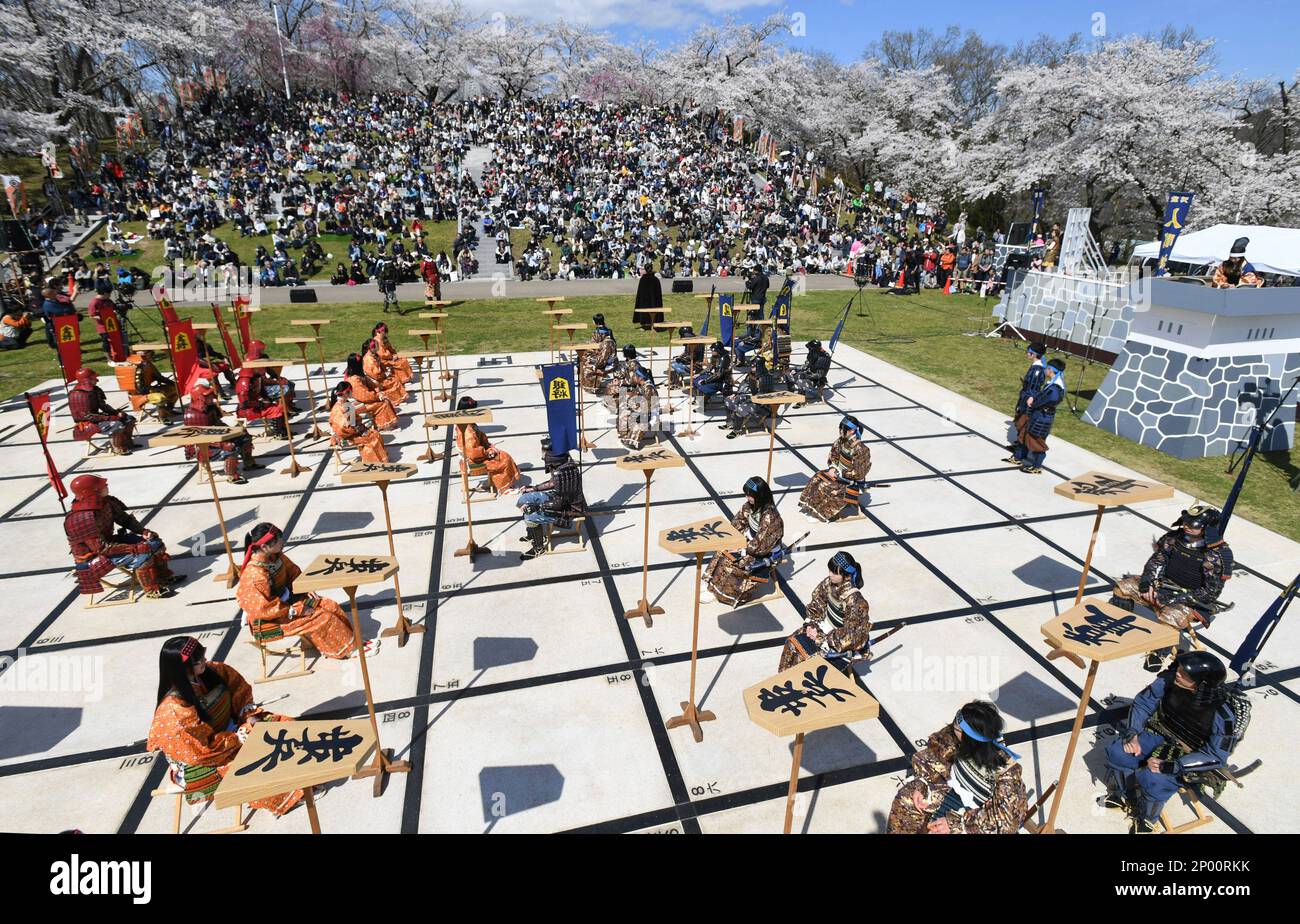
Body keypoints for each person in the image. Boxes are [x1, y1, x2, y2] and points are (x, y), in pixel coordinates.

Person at [146, 637, 303, 817]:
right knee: (251, 765)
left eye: (202, 655)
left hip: (233, 729)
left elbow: (240, 690)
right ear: (183, 668)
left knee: (285, 727)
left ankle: (306, 774)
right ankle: (290, 796)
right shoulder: (173, 709)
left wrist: (247, 715)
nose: (205, 661)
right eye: (198, 660)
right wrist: (240, 736)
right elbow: (201, 750)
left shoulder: (214, 670)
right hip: (206, 755)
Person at [1102, 652, 1243, 833]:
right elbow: (1143, 702)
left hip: (1191, 752)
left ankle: (1147, 819)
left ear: (1202, 683)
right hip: (1161, 731)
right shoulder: (1169, 681)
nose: (1178, 673)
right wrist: (1133, 732)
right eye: (1180, 669)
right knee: (1119, 752)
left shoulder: (1223, 716)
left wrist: (1173, 766)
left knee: (1154, 778)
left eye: (1186, 674)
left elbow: (1216, 756)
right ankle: (1125, 794)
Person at [1110, 505, 1234, 671]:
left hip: (1192, 599)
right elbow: (1157, 561)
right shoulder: (1174, 538)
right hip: (1164, 585)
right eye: (1186, 522)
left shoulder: (1216, 554)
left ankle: (1158, 653)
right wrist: (1148, 581)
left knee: (1171, 618)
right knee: (1123, 588)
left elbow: (1210, 593)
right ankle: (1118, 625)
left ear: (1206, 528)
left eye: (1194, 524)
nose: (1187, 526)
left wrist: (1172, 599)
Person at [236, 522, 377, 659]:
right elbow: (262, 608)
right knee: (322, 617)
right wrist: (295, 610)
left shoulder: (274, 556)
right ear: (265, 546)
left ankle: (351, 641)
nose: (282, 541)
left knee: (329, 605)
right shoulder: (254, 575)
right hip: (271, 618)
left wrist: (305, 587)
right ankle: (347, 650)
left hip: (287, 603)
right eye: (278, 540)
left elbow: (293, 572)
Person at [887, 701, 1029, 834]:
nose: (953, 728)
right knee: (906, 801)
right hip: (950, 789)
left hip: (978, 814)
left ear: (971, 739)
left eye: (958, 729)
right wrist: (922, 784)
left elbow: (1005, 821)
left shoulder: (1006, 772)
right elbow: (934, 755)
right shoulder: (956, 734)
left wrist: (957, 824)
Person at [64, 473, 179, 599]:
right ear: (93, 491)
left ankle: (164, 577)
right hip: (94, 557)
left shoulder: (107, 502)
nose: (106, 486)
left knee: (155, 543)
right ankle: (151, 589)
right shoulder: (82, 519)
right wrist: (134, 548)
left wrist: (143, 531)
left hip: (109, 543)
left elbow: (125, 520)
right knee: (144, 551)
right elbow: (101, 549)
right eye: (102, 485)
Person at [778, 552, 873, 671]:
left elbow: (853, 636)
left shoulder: (857, 602)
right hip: (821, 627)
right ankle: (782, 679)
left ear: (846, 575)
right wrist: (811, 624)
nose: (830, 574)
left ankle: (801, 686)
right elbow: (817, 602)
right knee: (791, 643)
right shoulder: (829, 583)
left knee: (806, 661)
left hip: (836, 642)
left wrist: (822, 638)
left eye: (834, 572)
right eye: (830, 570)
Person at [703, 476, 785, 606]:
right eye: (747, 495)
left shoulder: (771, 517)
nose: (748, 498)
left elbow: (761, 546)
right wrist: (732, 539)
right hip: (749, 542)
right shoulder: (750, 506)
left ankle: (721, 593)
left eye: (751, 495)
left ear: (760, 495)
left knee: (730, 562)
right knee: (721, 550)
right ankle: (712, 585)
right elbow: (737, 522)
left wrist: (741, 548)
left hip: (763, 553)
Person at [516, 438, 587, 561]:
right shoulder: (561, 466)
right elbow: (552, 483)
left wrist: (536, 507)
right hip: (559, 499)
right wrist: (533, 489)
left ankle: (539, 548)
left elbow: (559, 504)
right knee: (524, 498)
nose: (543, 455)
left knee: (530, 515)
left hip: (569, 508)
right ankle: (533, 534)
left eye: (544, 452)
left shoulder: (564, 472)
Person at [798, 415, 873, 521]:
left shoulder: (861, 449)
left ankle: (820, 513)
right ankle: (811, 507)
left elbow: (859, 472)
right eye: (840, 428)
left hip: (850, 480)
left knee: (826, 486)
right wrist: (833, 467)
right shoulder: (841, 441)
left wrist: (840, 473)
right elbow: (833, 454)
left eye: (843, 429)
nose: (841, 431)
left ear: (852, 431)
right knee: (817, 477)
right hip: (838, 473)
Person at [184, 383, 257, 484]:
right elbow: (200, 439)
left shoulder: (211, 408)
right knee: (231, 447)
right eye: (207, 396)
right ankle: (232, 476)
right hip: (204, 448)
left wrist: (233, 431)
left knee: (244, 437)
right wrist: (222, 444)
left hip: (215, 439)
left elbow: (218, 424)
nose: (211, 397)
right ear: (200, 398)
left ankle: (248, 463)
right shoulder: (193, 415)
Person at [454, 396, 521, 494]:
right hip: (474, 461)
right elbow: (473, 452)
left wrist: (488, 445)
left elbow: (478, 439)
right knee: (505, 459)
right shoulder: (467, 431)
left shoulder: (465, 423)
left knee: (503, 455)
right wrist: (487, 452)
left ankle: (502, 483)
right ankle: (504, 488)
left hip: (476, 454)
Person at [1010, 356, 1065, 474]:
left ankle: (1036, 466)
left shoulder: (1055, 388)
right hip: (1037, 415)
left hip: (1042, 417)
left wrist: (1033, 402)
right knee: (1024, 435)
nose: (1045, 370)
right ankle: (1019, 457)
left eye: (1047, 368)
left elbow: (1048, 399)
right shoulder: (1053, 384)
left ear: (1051, 370)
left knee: (1036, 441)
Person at [69, 367, 136, 454]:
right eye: (94, 378)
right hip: (87, 423)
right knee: (116, 424)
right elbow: (87, 416)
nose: (97, 380)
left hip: (98, 418)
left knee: (129, 419)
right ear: (87, 380)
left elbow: (103, 406)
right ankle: (118, 448)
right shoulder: (77, 395)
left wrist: (116, 413)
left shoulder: (95, 390)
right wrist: (110, 418)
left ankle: (126, 443)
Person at [1004, 342, 1047, 465]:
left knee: (1022, 426)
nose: (1027, 353)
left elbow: (1032, 390)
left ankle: (1020, 454)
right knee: (1019, 425)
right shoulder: (1036, 367)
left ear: (1033, 354)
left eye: (1029, 352)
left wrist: (1023, 405)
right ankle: (1018, 447)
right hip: (1025, 399)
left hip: (1027, 402)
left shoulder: (1036, 370)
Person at [329, 380, 389, 463]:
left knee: (373, 433)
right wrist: (361, 428)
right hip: (345, 436)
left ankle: (377, 459)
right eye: (351, 391)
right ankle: (372, 461)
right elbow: (347, 427)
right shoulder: (346, 406)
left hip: (342, 433)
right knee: (373, 436)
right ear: (346, 392)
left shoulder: (338, 404)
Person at [342, 352, 398, 430]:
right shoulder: (354, 379)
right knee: (382, 404)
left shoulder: (359, 375)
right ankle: (384, 426)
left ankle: (382, 423)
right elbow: (364, 396)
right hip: (355, 403)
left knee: (384, 396)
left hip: (365, 399)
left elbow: (371, 384)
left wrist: (377, 389)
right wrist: (378, 396)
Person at [724, 355, 775, 439]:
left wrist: (747, 400)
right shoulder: (752, 374)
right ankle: (730, 423)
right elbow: (744, 385)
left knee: (741, 408)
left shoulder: (766, 378)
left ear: (759, 366)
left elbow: (764, 397)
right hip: (751, 398)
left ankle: (737, 430)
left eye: (753, 366)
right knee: (728, 400)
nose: (751, 367)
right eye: (751, 365)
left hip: (761, 406)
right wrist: (736, 394)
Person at [126, 348, 179, 420]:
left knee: (176, 389)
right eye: (148, 354)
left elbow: (159, 377)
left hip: (150, 390)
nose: (151, 356)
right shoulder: (137, 368)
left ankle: (168, 410)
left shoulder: (148, 365)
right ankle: (163, 418)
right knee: (160, 397)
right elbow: (140, 389)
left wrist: (174, 384)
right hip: (141, 394)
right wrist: (154, 389)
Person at [617, 365, 659, 449]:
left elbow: (645, 407)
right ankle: (625, 433)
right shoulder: (640, 385)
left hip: (648, 414)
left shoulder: (649, 389)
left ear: (640, 378)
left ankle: (632, 438)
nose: (633, 377)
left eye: (635, 376)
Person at [362, 337, 407, 405]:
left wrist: (385, 372)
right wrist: (385, 375)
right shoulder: (369, 360)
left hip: (379, 377)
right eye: (377, 347)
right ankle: (395, 400)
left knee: (394, 378)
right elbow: (375, 374)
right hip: (375, 382)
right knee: (394, 381)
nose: (378, 348)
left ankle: (399, 398)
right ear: (371, 348)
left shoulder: (372, 356)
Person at [581, 315, 616, 394]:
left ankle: (591, 386)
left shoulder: (596, 332)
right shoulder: (609, 331)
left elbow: (594, 346)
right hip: (611, 358)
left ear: (595, 322)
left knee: (584, 359)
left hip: (601, 358)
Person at [371, 322, 412, 386]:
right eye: (383, 331)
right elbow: (381, 354)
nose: (384, 332)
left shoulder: (384, 338)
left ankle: (405, 378)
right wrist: (391, 357)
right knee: (398, 363)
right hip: (382, 360)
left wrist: (394, 354)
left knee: (403, 359)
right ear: (378, 331)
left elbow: (390, 348)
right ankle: (402, 380)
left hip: (389, 356)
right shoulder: (376, 340)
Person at [668, 325, 703, 389]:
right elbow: (686, 352)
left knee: (673, 365)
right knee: (672, 362)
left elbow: (693, 357)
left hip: (694, 365)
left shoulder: (695, 343)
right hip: (689, 361)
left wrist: (682, 359)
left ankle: (676, 383)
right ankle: (674, 382)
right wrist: (679, 356)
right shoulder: (689, 340)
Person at [632, 263, 663, 330]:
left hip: (645, 302)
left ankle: (645, 324)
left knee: (644, 309)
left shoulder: (643, 279)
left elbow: (640, 293)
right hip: (654, 302)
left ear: (645, 269)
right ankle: (654, 322)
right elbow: (658, 295)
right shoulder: (656, 280)